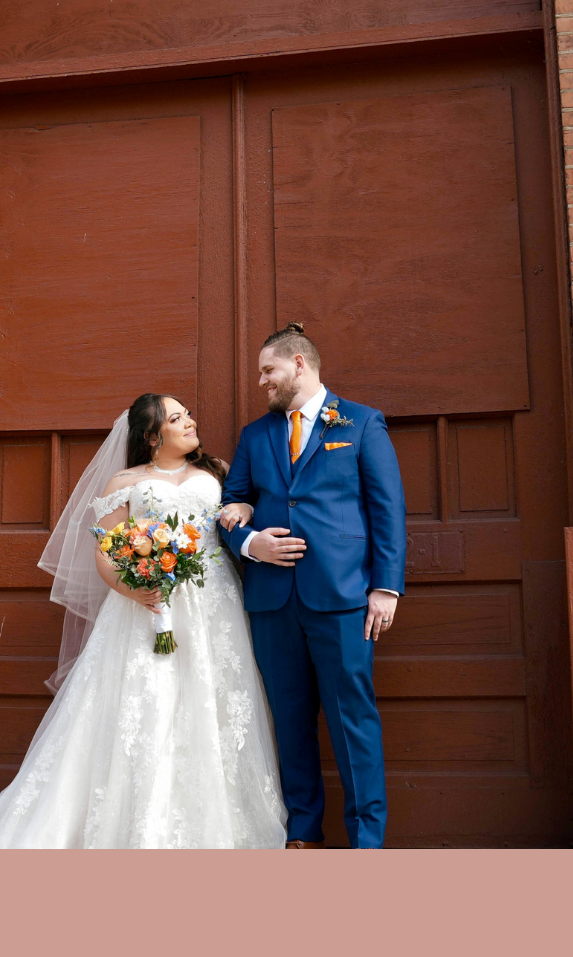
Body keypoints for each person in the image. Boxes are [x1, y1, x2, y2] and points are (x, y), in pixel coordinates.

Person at [0, 393, 286, 848]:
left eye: (188, 414)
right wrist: (133, 587)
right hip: (145, 608)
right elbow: (106, 552)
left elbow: (240, 509)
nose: (190, 422)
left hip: (212, 605)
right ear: (151, 435)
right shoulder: (125, 481)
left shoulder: (217, 470)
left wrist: (247, 511)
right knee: (147, 704)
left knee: (214, 700)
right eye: (177, 418)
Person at [217, 323, 407, 849]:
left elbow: (387, 509)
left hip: (345, 599)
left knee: (353, 721)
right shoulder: (256, 435)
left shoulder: (362, 424)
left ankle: (367, 839)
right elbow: (228, 508)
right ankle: (303, 832)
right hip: (272, 602)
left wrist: (385, 588)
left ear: (299, 364)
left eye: (268, 370)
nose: (262, 382)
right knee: (290, 721)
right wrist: (253, 544)